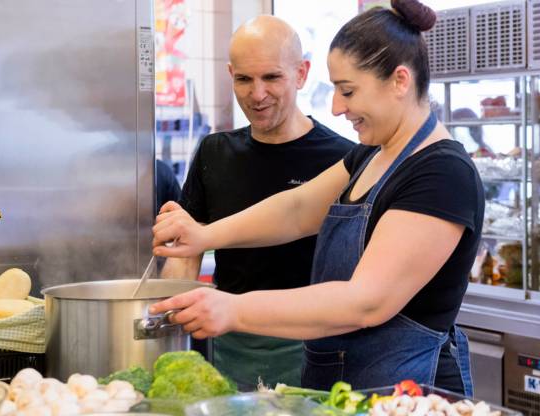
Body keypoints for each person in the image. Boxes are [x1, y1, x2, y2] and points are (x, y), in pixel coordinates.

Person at [151, 0, 483, 395]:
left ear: (399, 81)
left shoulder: (441, 173)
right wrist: (206, 236)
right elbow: (296, 209)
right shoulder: (372, 154)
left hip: (408, 395)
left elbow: (366, 302)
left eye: (347, 90)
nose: (336, 106)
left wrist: (233, 308)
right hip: (345, 389)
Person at [159, 16, 354, 390]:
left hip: (313, 346)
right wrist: (169, 322)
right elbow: (186, 254)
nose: (257, 94)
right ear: (230, 74)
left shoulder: (343, 160)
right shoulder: (215, 152)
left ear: (301, 74)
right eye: (244, 79)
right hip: (229, 343)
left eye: (272, 77)